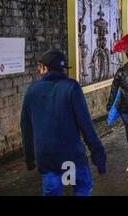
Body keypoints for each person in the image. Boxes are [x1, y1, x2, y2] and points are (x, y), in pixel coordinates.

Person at [21, 49, 106, 196]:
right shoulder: (71, 87)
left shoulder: (32, 90)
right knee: (82, 188)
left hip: (46, 158)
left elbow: (26, 127)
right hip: (71, 158)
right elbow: (86, 126)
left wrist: (29, 159)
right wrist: (98, 156)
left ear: (45, 68)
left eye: (40, 67)